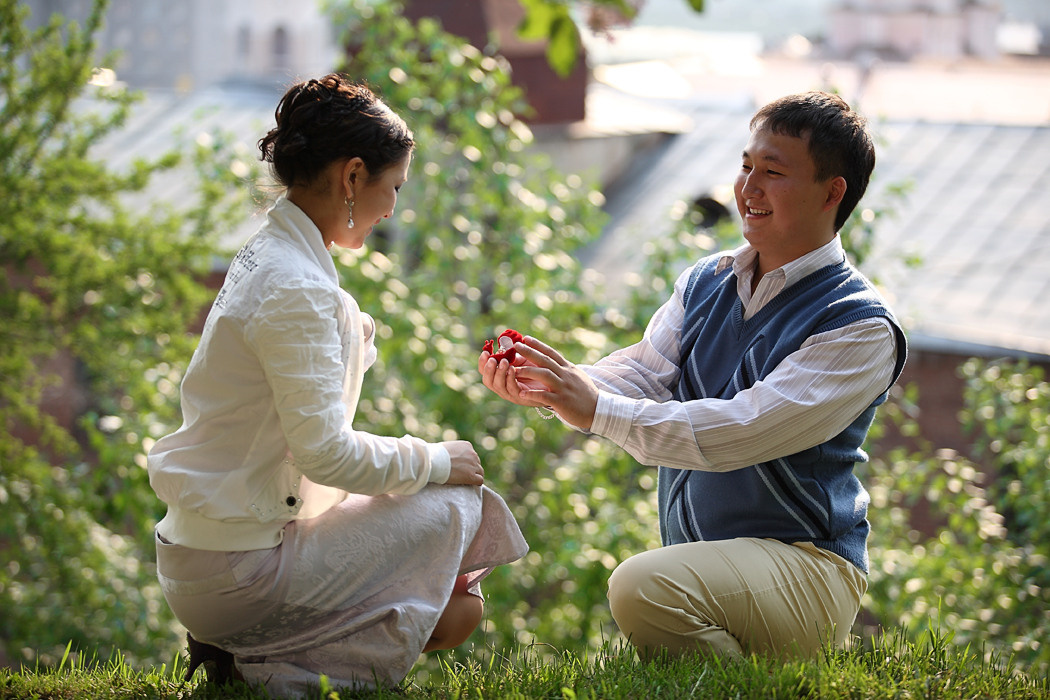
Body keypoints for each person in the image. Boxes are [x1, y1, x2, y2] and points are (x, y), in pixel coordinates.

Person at [480, 91, 906, 660]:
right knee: (653, 591)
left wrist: (595, 409)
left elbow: (744, 429)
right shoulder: (707, 280)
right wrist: (553, 385)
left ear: (833, 192)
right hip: (707, 567)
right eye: (746, 166)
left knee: (642, 586)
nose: (748, 188)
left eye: (773, 172)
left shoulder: (860, 325)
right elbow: (644, 374)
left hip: (810, 567)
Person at [148, 74, 527, 696]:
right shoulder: (296, 285)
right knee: (462, 506)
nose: (393, 208)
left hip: (210, 553)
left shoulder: (271, 254)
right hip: (236, 572)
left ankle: (259, 660)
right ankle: (273, 665)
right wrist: (436, 459)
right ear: (353, 177)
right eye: (393, 186)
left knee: (454, 596)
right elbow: (326, 454)